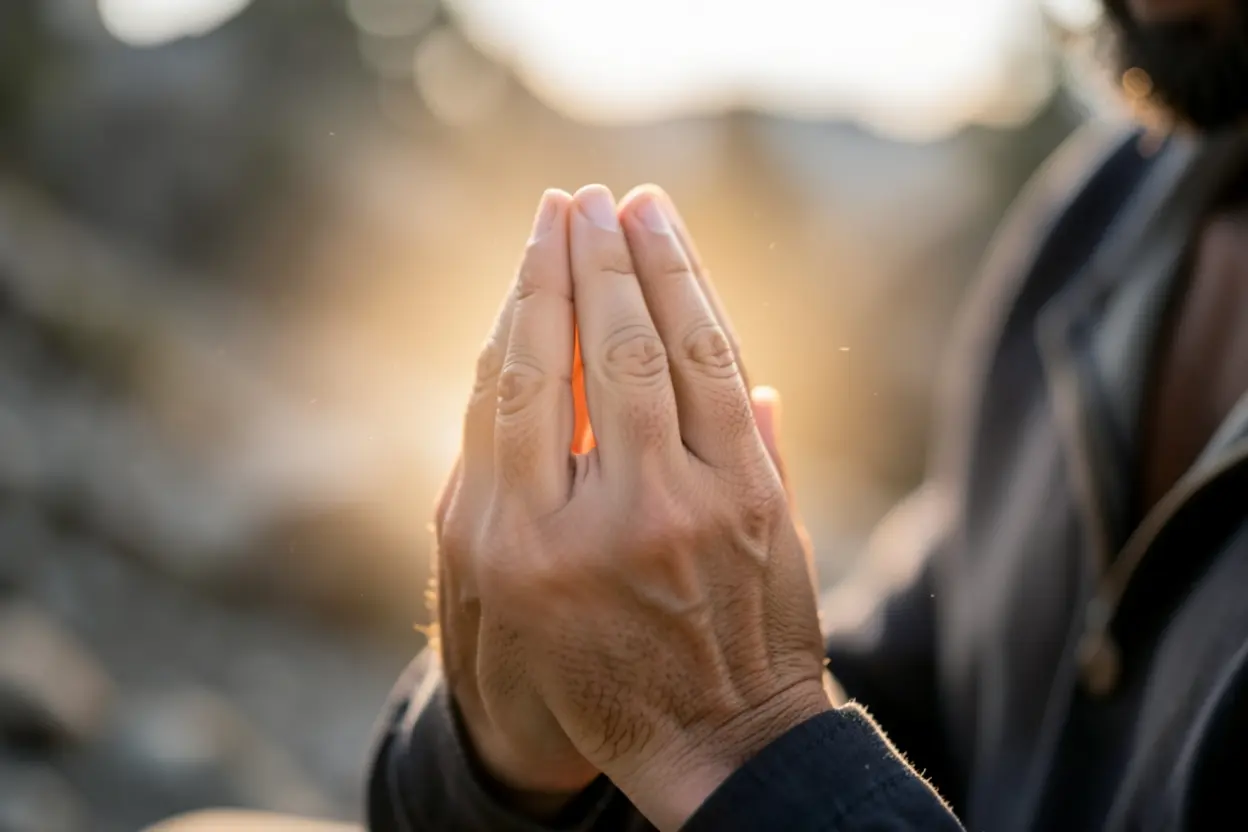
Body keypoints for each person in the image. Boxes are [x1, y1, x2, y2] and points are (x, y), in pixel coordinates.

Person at [164, 0, 1248, 829]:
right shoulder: (1107, 217)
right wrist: (527, 743)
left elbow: (777, 735)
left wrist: (741, 743)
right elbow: (902, 691)